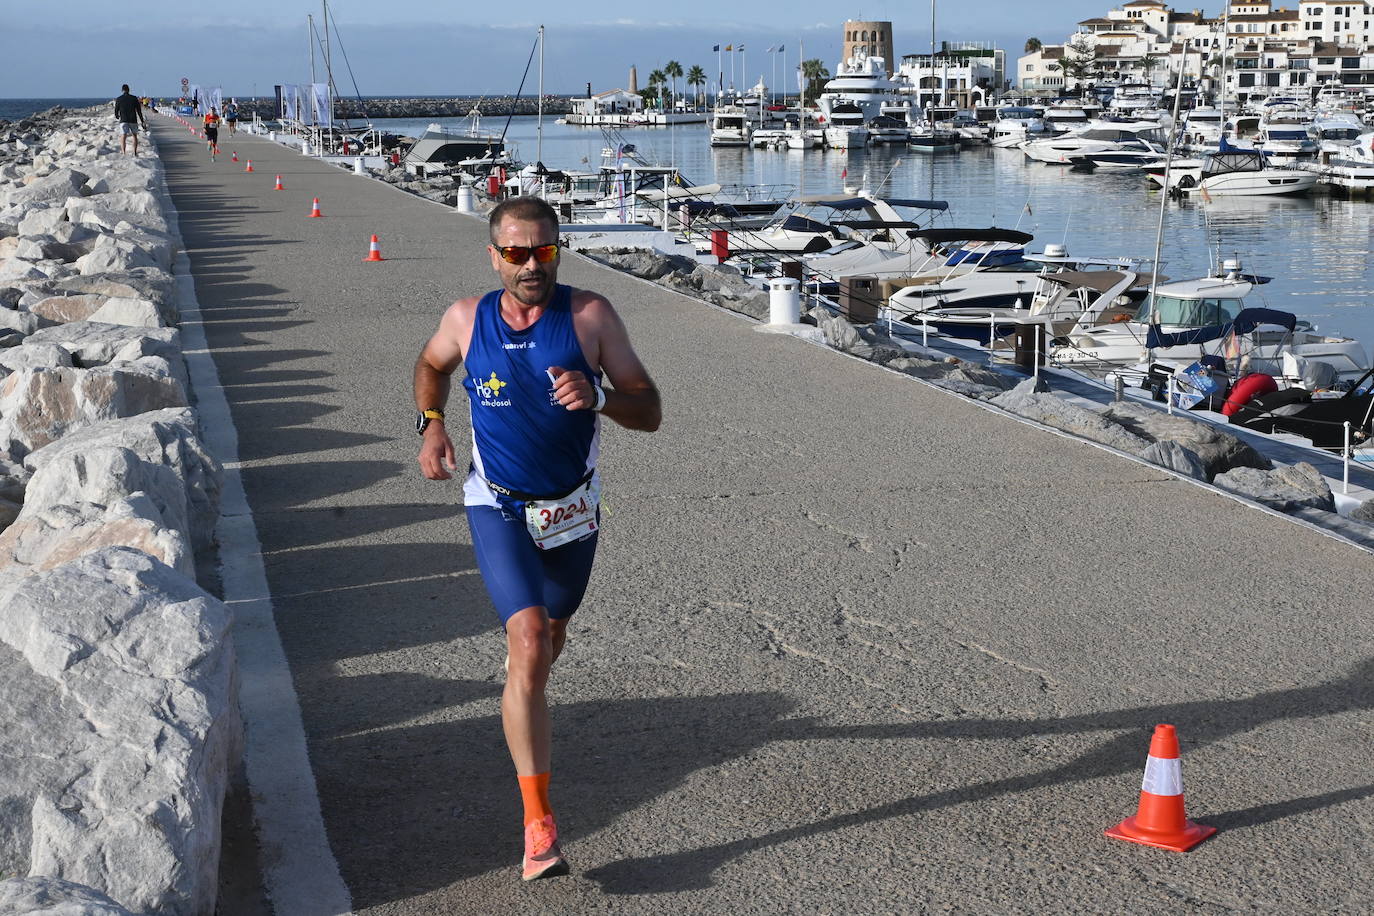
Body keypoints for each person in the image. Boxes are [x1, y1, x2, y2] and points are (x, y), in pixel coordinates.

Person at [414, 196, 660, 881]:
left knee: (546, 641)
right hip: (497, 504)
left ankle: (525, 696)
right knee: (525, 641)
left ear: (559, 250)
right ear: (494, 255)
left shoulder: (590, 317)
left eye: (544, 251)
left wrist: (603, 397)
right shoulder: (467, 319)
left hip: (573, 512)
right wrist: (431, 424)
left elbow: (651, 408)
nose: (531, 265)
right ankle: (538, 824)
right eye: (516, 253)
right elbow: (430, 366)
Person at [113, 84, 147, 157]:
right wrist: (142, 120)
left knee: (123, 136)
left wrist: (117, 116)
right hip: (133, 120)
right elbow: (139, 111)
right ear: (129, 90)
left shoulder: (119, 99)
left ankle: (123, 152)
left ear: (122, 90)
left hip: (123, 120)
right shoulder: (134, 98)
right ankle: (134, 152)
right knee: (134, 136)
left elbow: (116, 110)